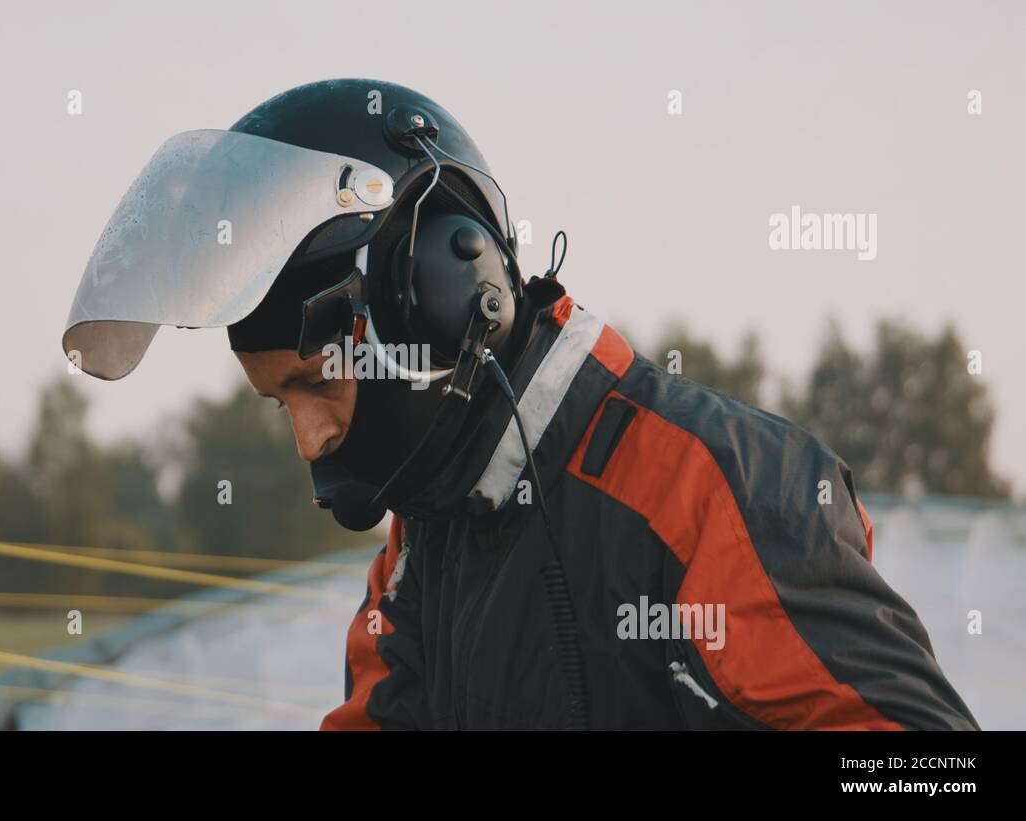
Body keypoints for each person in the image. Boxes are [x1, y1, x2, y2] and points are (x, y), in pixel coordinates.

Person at [63, 78, 978, 730]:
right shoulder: (423, 540)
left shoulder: (711, 492)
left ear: (436, 295)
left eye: (316, 380)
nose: (311, 435)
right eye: (278, 402)